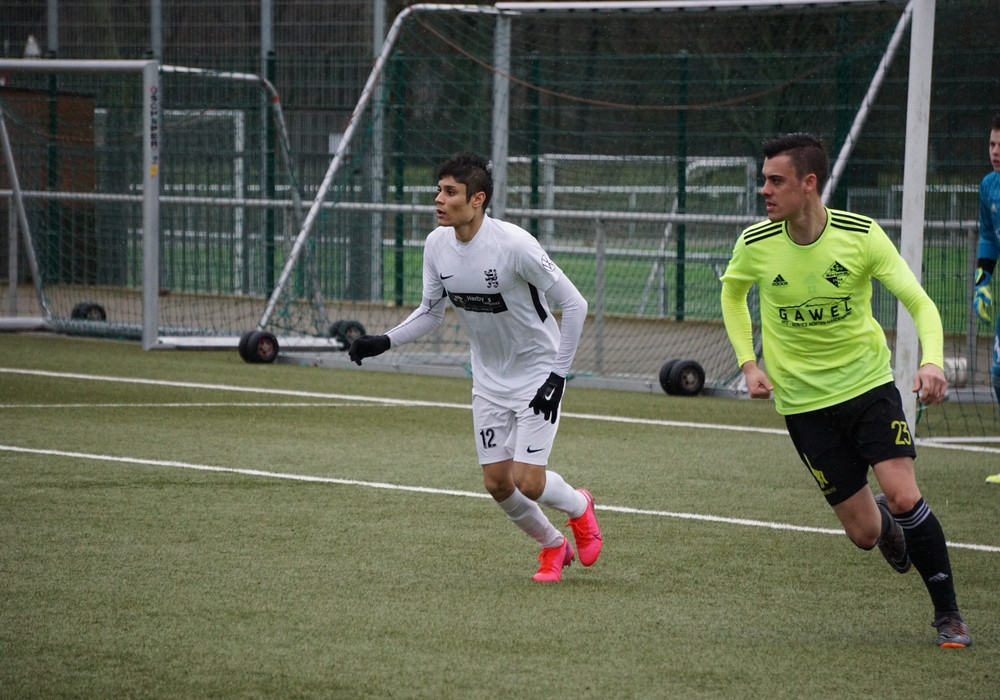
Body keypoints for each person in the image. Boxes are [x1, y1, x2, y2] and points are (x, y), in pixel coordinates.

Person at [719, 133, 971, 648]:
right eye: (764, 180)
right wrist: (748, 363)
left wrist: (931, 360)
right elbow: (732, 293)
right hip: (804, 405)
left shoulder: (861, 235)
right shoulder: (755, 244)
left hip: (868, 388)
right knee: (865, 534)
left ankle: (949, 615)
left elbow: (919, 302)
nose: (764, 190)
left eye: (776, 181)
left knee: (903, 494)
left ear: (809, 184)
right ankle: (886, 527)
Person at [348, 151, 602, 582]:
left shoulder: (515, 245)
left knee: (529, 481)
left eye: (450, 192)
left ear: (477, 199)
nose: (439, 200)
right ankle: (552, 546)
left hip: (538, 373)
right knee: (498, 483)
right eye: (439, 190)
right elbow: (431, 313)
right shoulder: (436, 245)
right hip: (487, 378)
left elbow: (575, 304)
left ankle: (580, 506)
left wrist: (558, 376)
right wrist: (385, 340)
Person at [971, 114, 1000, 485]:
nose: (995, 152)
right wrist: (982, 283)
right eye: (992, 144)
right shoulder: (989, 186)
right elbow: (989, 237)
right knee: (998, 374)